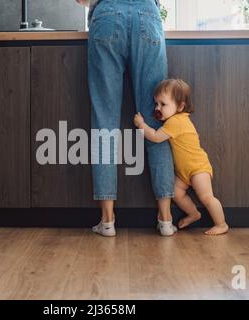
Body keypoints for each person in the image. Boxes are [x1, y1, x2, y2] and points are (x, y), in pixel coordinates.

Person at [76, 0, 176, 237]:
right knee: (156, 117)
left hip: (107, 17)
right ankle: (165, 219)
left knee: (104, 121)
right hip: (147, 16)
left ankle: (107, 221)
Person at [134, 79, 229, 235]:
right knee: (175, 193)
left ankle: (221, 224)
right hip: (184, 172)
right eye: (156, 104)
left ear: (180, 106)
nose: (158, 108)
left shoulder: (176, 122)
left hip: (197, 167)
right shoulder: (174, 120)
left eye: (163, 104)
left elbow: (156, 137)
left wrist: (141, 125)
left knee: (206, 197)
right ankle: (193, 214)